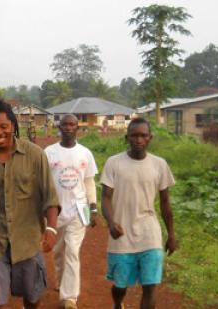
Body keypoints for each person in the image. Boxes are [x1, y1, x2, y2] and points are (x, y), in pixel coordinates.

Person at [0, 98, 60, 309]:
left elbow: (50, 197)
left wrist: (51, 229)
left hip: (28, 240)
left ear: (13, 126)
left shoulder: (35, 155)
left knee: (33, 299)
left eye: (4, 127)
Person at [101, 117, 177, 309]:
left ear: (150, 138)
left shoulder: (159, 165)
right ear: (127, 137)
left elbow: (165, 203)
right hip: (122, 234)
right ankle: (118, 304)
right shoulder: (114, 163)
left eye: (143, 135)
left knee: (150, 286)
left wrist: (171, 235)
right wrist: (110, 223)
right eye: (134, 135)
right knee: (120, 285)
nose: (139, 140)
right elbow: (106, 198)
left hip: (149, 233)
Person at [44, 114, 99, 309]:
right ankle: (60, 282)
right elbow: (42, 183)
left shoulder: (85, 153)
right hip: (54, 211)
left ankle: (70, 298)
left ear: (78, 128)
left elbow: (89, 182)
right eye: (65, 124)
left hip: (79, 208)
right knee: (58, 251)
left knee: (73, 251)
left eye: (72, 124)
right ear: (59, 126)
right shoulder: (49, 152)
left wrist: (93, 207)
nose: (68, 127)